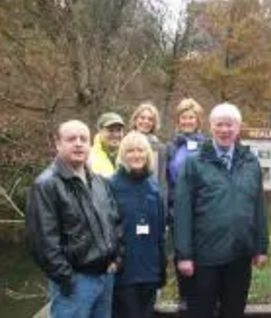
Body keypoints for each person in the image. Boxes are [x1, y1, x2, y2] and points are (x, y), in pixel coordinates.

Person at [174, 103, 269, 318]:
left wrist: (261, 247)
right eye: (219, 125)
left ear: (238, 127)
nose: (225, 130)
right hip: (205, 257)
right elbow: (182, 211)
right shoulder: (194, 163)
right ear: (211, 127)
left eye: (230, 125)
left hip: (240, 256)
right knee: (200, 313)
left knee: (234, 312)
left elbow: (259, 207)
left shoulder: (250, 162)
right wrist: (184, 255)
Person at [25, 120, 122, 318]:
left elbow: (115, 222)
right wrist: (66, 278)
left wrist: (117, 259)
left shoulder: (98, 182)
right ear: (58, 144)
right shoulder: (46, 185)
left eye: (83, 139)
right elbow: (42, 242)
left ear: (90, 145)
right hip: (76, 283)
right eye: (71, 139)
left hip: (106, 277)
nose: (78, 143)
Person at [110, 131, 166, 318]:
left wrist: (161, 267)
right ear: (123, 155)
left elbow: (160, 233)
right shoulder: (112, 186)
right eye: (130, 151)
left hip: (150, 271)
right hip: (124, 273)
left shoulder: (154, 186)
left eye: (140, 150)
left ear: (148, 153)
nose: (136, 155)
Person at [166, 98, 206, 309]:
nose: (188, 121)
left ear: (198, 120)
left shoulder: (207, 145)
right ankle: (184, 296)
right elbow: (165, 179)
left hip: (202, 208)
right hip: (176, 209)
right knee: (181, 251)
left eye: (191, 117)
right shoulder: (171, 147)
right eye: (184, 117)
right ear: (178, 120)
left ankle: (203, 295)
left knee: (201, 252)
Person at [129, 102, 167, 187]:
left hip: (152, 195)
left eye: (150, 119)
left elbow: (162, 179)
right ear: (135, 120)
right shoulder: (125, 143)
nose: (146, 121)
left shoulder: (160, 148)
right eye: (142, 118)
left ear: (154, 123)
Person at [89, 112, 125, 177]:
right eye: (111, 130)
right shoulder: (89, 157)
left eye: (119, 130)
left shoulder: (129, 156)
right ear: (100, 131)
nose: (116, 135)